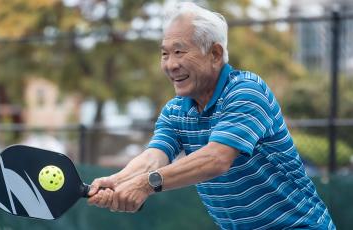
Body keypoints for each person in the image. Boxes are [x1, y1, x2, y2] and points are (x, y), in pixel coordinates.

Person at [87, 2, 335, 229]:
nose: (170, 64)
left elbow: (216, 158)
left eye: (180, 52)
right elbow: (154, 157)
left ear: (215, 54)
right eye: (165, 53)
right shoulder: (175, 111)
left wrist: (145, 184)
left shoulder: (246, 91)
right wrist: (117, 181)